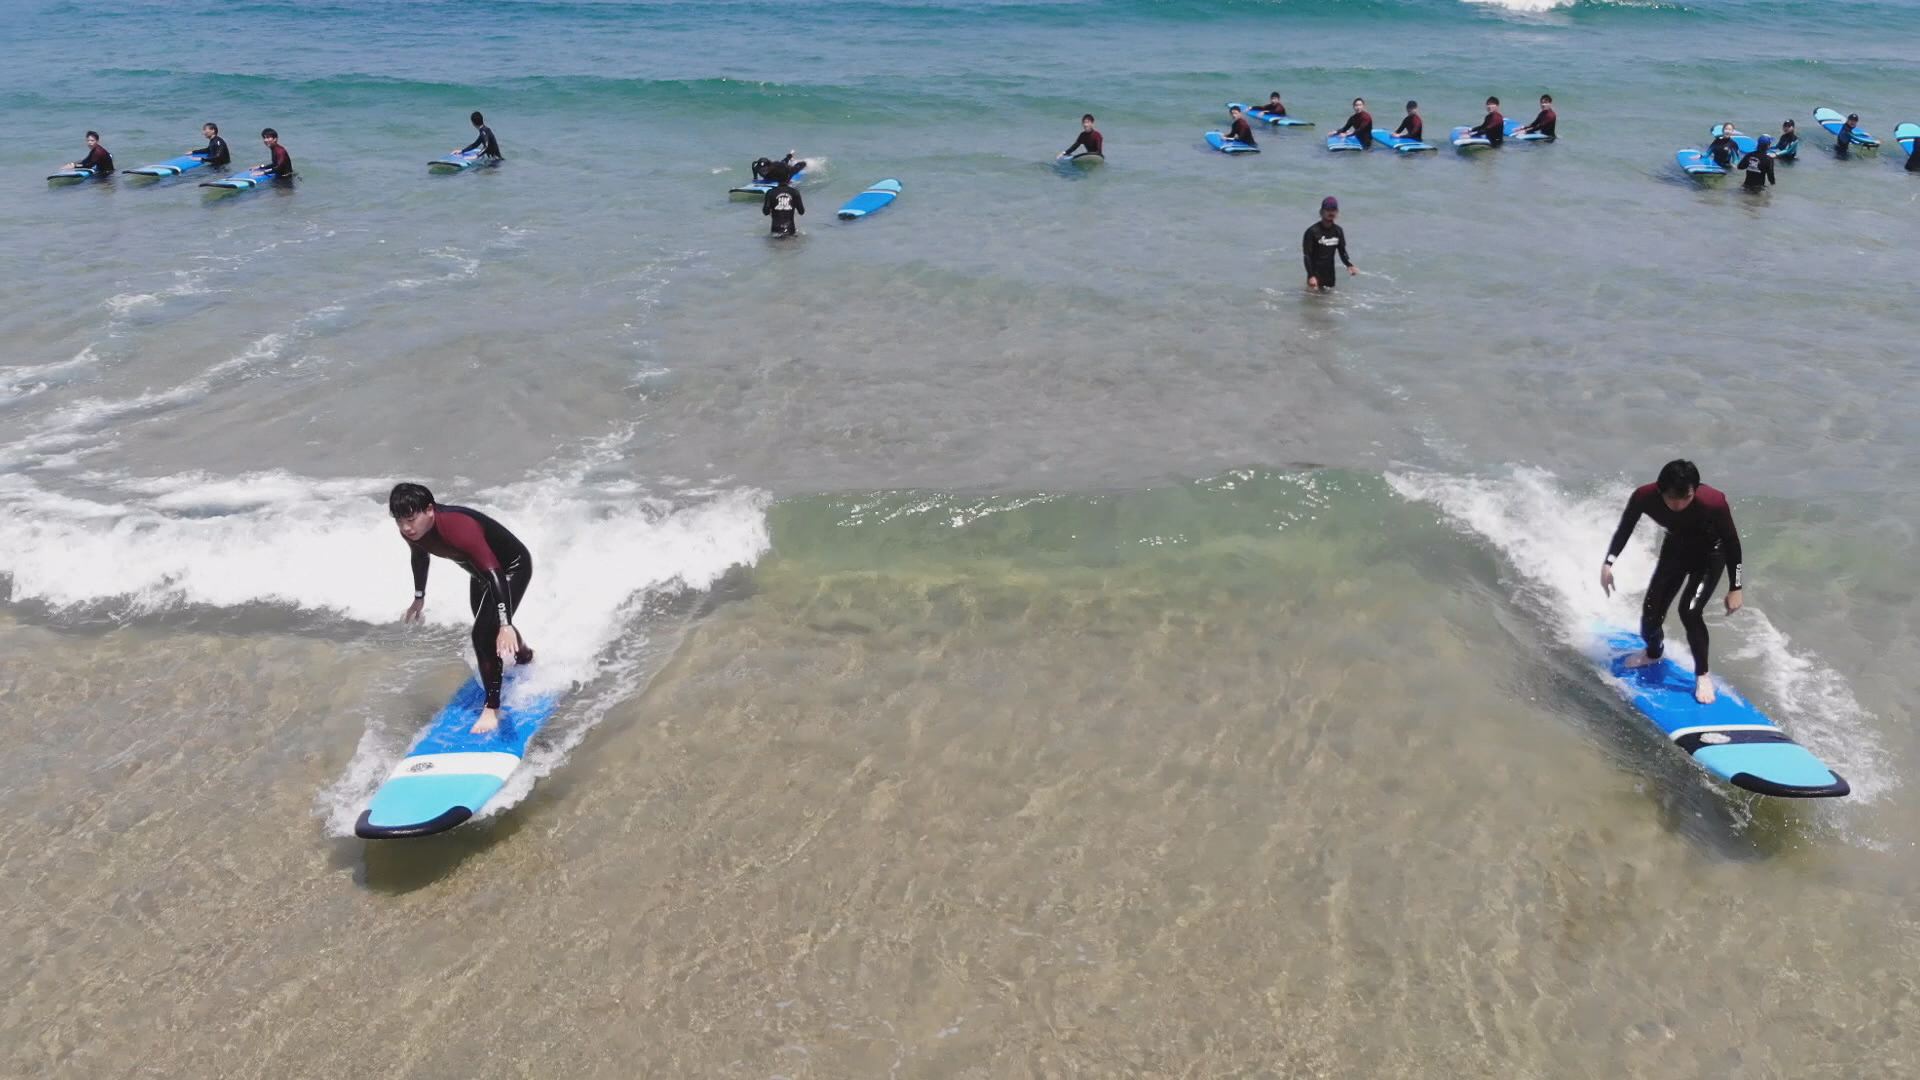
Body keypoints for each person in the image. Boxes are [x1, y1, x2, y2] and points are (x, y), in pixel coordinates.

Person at [390, 483, 535, 736]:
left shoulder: (459, 527)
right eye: (400, 521)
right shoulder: (411, 532)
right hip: (481, 573)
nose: (405, 528)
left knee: (483, 634)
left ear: (430, 510)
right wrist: (419, 598)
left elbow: (496, 574)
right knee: (487, 625)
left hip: (509, 569)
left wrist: (505, 623)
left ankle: (493, 709)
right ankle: (524, 655)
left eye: (411, 520)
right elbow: (420, 556)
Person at [1600, 459, 1744, 705]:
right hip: (1675, 550)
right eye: (1671, 498)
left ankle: (1702, 675)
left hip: (1710, 555)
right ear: (1660, 490)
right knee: (1650, 615)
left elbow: (1732, 542)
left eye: (1685, 498)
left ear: (1694, 490)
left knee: (1689, 611)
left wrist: (1736, 587)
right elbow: (1625, 527)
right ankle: (1653, 653)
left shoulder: (1713, 502)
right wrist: (1609, 562)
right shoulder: (1644, 497)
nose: (1678, 505)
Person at [1302, 196, 1355, 291]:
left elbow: (1342, 251)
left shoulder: (1338, 231)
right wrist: (1311, 275)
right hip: (1315, 276)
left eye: (1333, 209)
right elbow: (1307, 256)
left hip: (1330, 276)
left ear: (1337, 212)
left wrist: (1349, 265)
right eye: (1328, 209)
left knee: (1328, 299)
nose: (1331, 212)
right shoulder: (1312, 232)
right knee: (1312, 299)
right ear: (1321, 212)